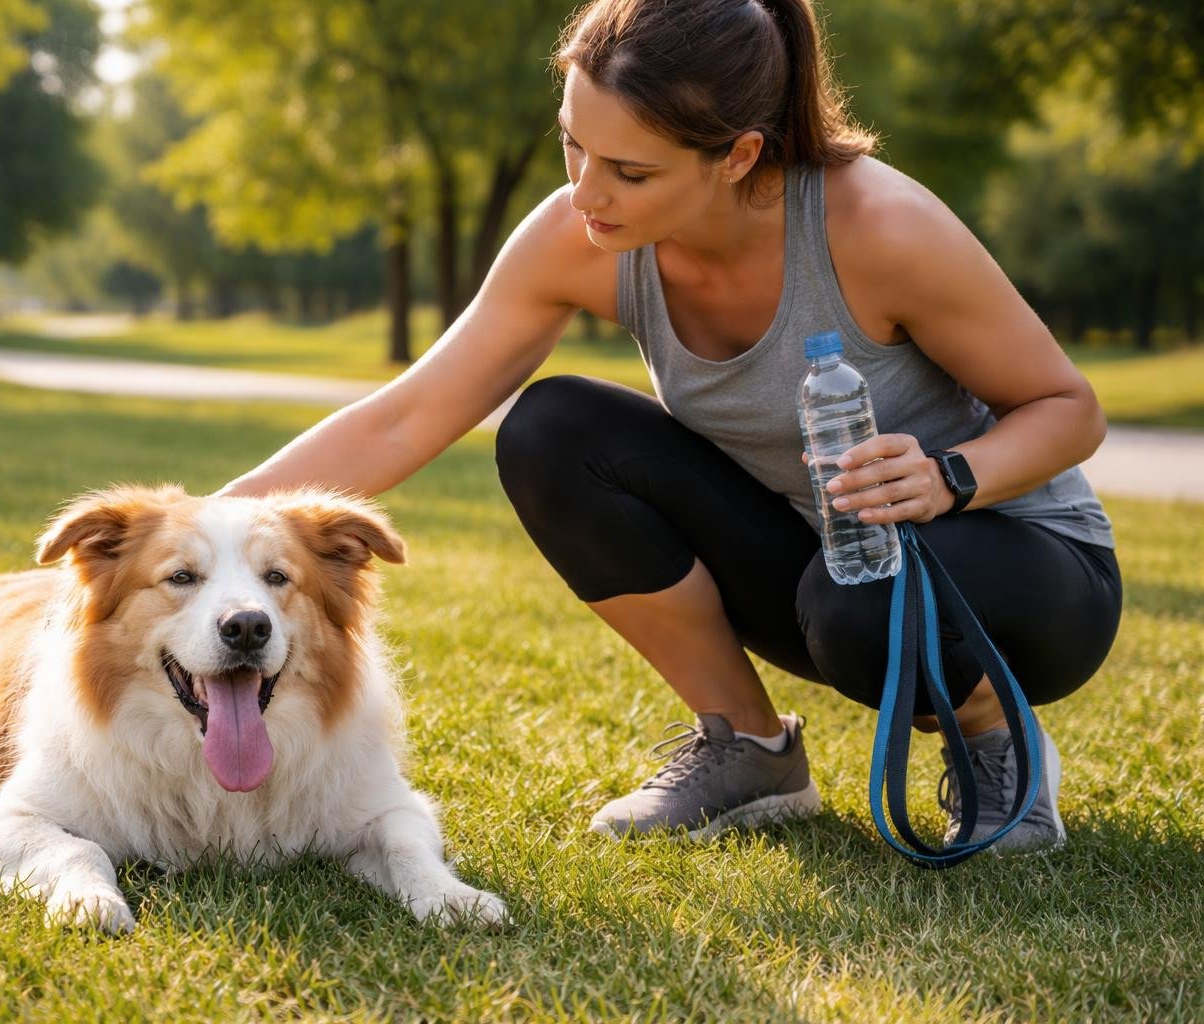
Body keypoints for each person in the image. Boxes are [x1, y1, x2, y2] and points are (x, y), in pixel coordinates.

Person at [219, 0, 1122, 853]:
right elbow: (406, 416)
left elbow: (1069, 409)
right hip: (820, 565)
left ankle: (999, 743)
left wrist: (947, 476)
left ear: (736, 156)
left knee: (857, 599)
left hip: (1023, 570)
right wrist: (195, 529)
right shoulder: (582, 236)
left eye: (630, 171)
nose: (585, 194)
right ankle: (751, 753)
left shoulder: (877, 226)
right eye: (574, 146)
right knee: (553, 430)